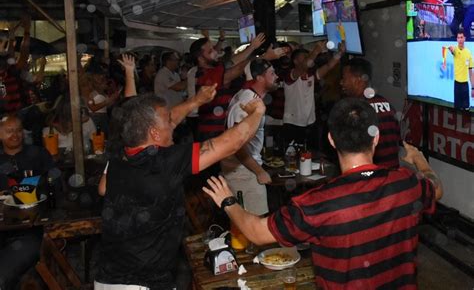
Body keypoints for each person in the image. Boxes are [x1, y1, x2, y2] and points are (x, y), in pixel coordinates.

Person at [203, 98, 443, 290]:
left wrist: (228, 201)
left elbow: (256, 232)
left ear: (331, 139)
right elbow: (436, 187)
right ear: (376, 138)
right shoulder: (407, 184)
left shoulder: (317, 202)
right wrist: (421, 162)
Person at [94, 54, 267, 289]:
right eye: (167, 122)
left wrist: (196, 101)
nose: (173, 125)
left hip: (108, 278)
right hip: (142, 284)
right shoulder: (165, 162)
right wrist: (257, 112)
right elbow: (230, 143)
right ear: (154, 134)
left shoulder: (119, 156)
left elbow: (103, 187)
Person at [0, 115, 59, 289]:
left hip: (30, 230)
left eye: (18, 130)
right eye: (9, 131)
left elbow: (55, 179)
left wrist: (39, 186)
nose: (15, 135)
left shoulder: (38, 154)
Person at [221, 60, 278, 216]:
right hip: (242, 171)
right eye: (272, 73)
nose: (277, 76)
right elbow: (237, 144)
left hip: (242, 168)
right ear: (259, 78)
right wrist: (259, 172)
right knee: (255, 223)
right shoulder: (248, 102)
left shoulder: (249, 96)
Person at [340, 57, 401, 169]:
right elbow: (396, 137)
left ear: (358, 80)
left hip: (372, 176)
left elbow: (352, 149)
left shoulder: (355, 110)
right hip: (392, 174)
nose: (341, 83)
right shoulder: (385, 103)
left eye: (344, 78)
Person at [283, 41, 344, 147]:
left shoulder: (311, 75)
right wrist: (315, 51)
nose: (308, 58)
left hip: (310, 121)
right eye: (304, 57)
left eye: (308, 56)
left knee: (311, 155)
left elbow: (329, 66)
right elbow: (303, 67)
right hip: (293, 122)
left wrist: (340, 53)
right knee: (292, 155)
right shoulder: (290, 75)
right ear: (295, 61)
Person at [448, 30, 474, 110]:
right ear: (457, 39)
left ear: (464, 38)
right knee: (457, 110)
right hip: (457, 85)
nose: (460, 39)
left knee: (466, 109)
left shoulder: (468, 53)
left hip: (465, 85)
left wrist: (473, 88)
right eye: (458, 38)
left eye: (461, 37)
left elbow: (471, 73)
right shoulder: (455, 50)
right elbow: (452, 50)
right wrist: (451, 49)